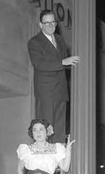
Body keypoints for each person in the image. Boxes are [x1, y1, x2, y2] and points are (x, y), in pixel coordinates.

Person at [28, 9, 80, 141]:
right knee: (45, 131)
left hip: (61, 92)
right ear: (40, 25)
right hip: (46, 93)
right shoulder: (34, 42)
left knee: (59, 133)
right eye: (47, 23)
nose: (51, 26)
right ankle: (44, 161)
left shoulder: (59, 39)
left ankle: (58, 161)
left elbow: (65, 62)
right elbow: (39, 64)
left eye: (53, 22)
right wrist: (63, 62)